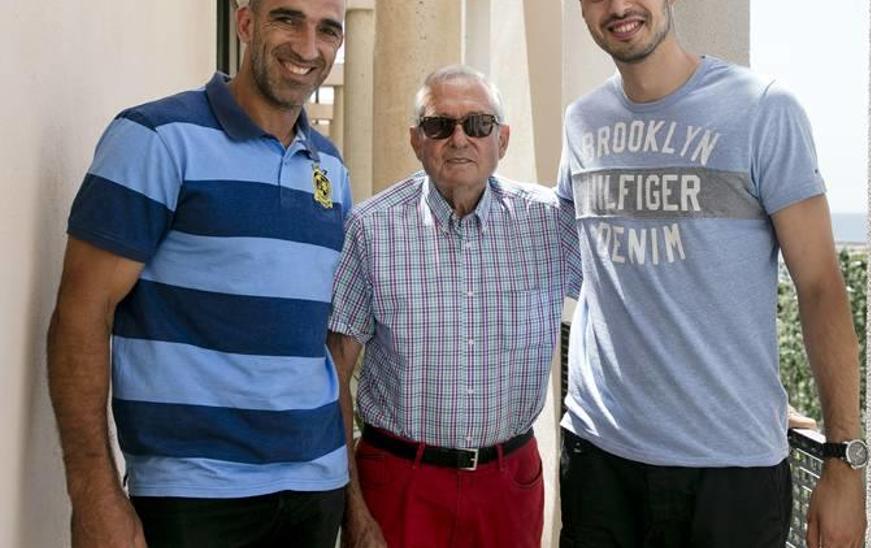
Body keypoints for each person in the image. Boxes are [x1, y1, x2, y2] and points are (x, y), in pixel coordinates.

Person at [557, 1, 868, 547]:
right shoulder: (582, 122)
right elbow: (582, 263)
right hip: (599, 460)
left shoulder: (763, 110)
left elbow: (820, 287)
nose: (618, 6)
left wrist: (843, 457)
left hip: (730, 475)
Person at [46, 0, 351, 546]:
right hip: (193, 497)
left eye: (327, 30)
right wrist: (92, 493)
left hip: (315, 486)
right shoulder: (156, 137)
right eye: (288, 19)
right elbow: (81, 313)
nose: (308, 47)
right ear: (244, 22)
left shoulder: (330, 168)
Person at [327, 65, 580, 548]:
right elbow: (333, 375)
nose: (459, 139)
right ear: (416, 140)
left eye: (478, 124)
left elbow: (629, 293)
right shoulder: (370, 229)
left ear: (502, 140)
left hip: (508, 482)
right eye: (440, 125)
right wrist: (352, 508)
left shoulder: (550, 224)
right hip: (400, 480)